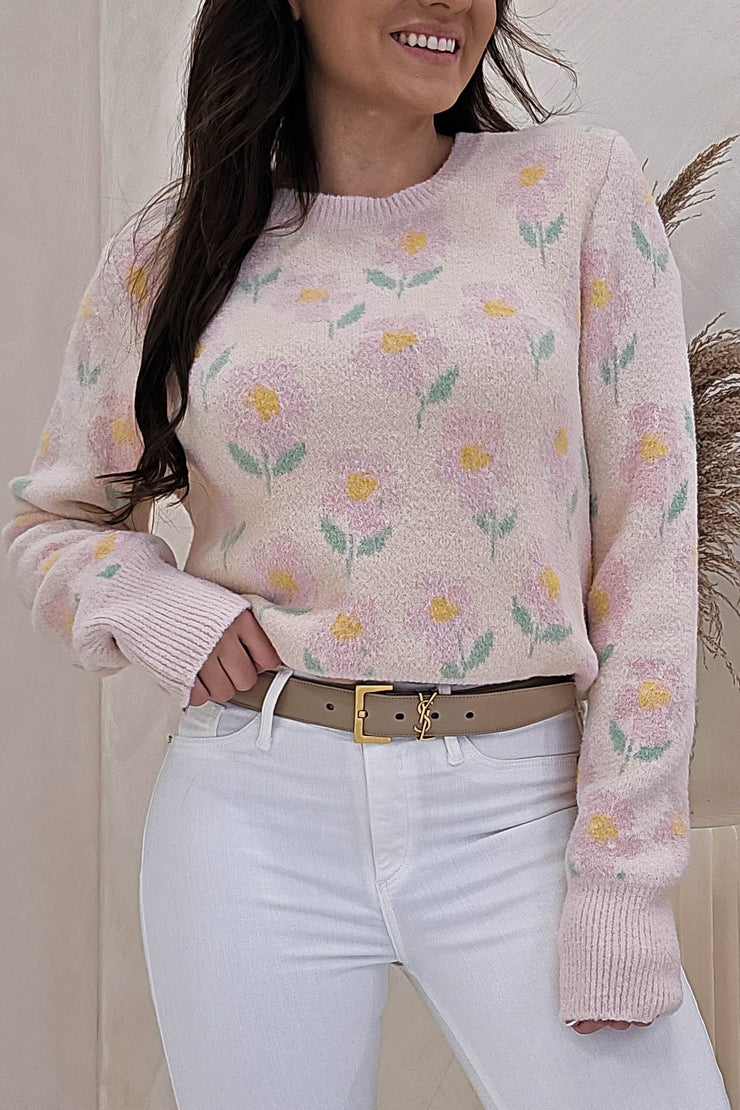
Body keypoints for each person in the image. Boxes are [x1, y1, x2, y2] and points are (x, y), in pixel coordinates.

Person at [3, 0, 733, 1107]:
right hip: (253, 808)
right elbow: (53, 522)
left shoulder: (576, 189)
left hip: (524, 811)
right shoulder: (169, 252)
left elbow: (649, 549)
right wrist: (157, 607)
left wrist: (624, 876)